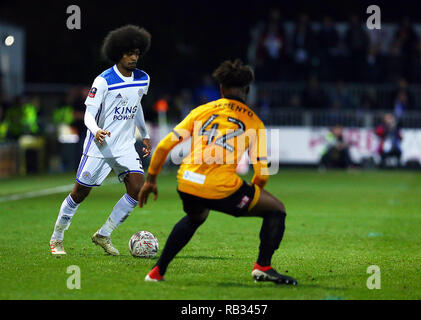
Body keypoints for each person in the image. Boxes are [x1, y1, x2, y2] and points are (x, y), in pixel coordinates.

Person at [138, 59, 297, 285]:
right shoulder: (253, 122)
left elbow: (163, 146)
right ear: (247, 91)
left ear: (221, 89)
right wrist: (253, 194)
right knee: (276, 210)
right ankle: (263, 267)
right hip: (222, 188)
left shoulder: (201, 111)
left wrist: (151, 180)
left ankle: (156, 273)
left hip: (187, 181)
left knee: (196, 216)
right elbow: (262, 173)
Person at [49, 25, 152, 255]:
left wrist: (144, 135)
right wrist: (96, 130)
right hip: (100, 146)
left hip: (125, 145)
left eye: (137, 52)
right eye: (129, 53)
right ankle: (56, 237)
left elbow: (136, 108)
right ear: (118, 53)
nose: (134, 57)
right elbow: (88, 114)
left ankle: (104, 234)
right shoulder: (103, 80)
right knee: (79, 194)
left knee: (137, 188)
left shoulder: (143, 79)